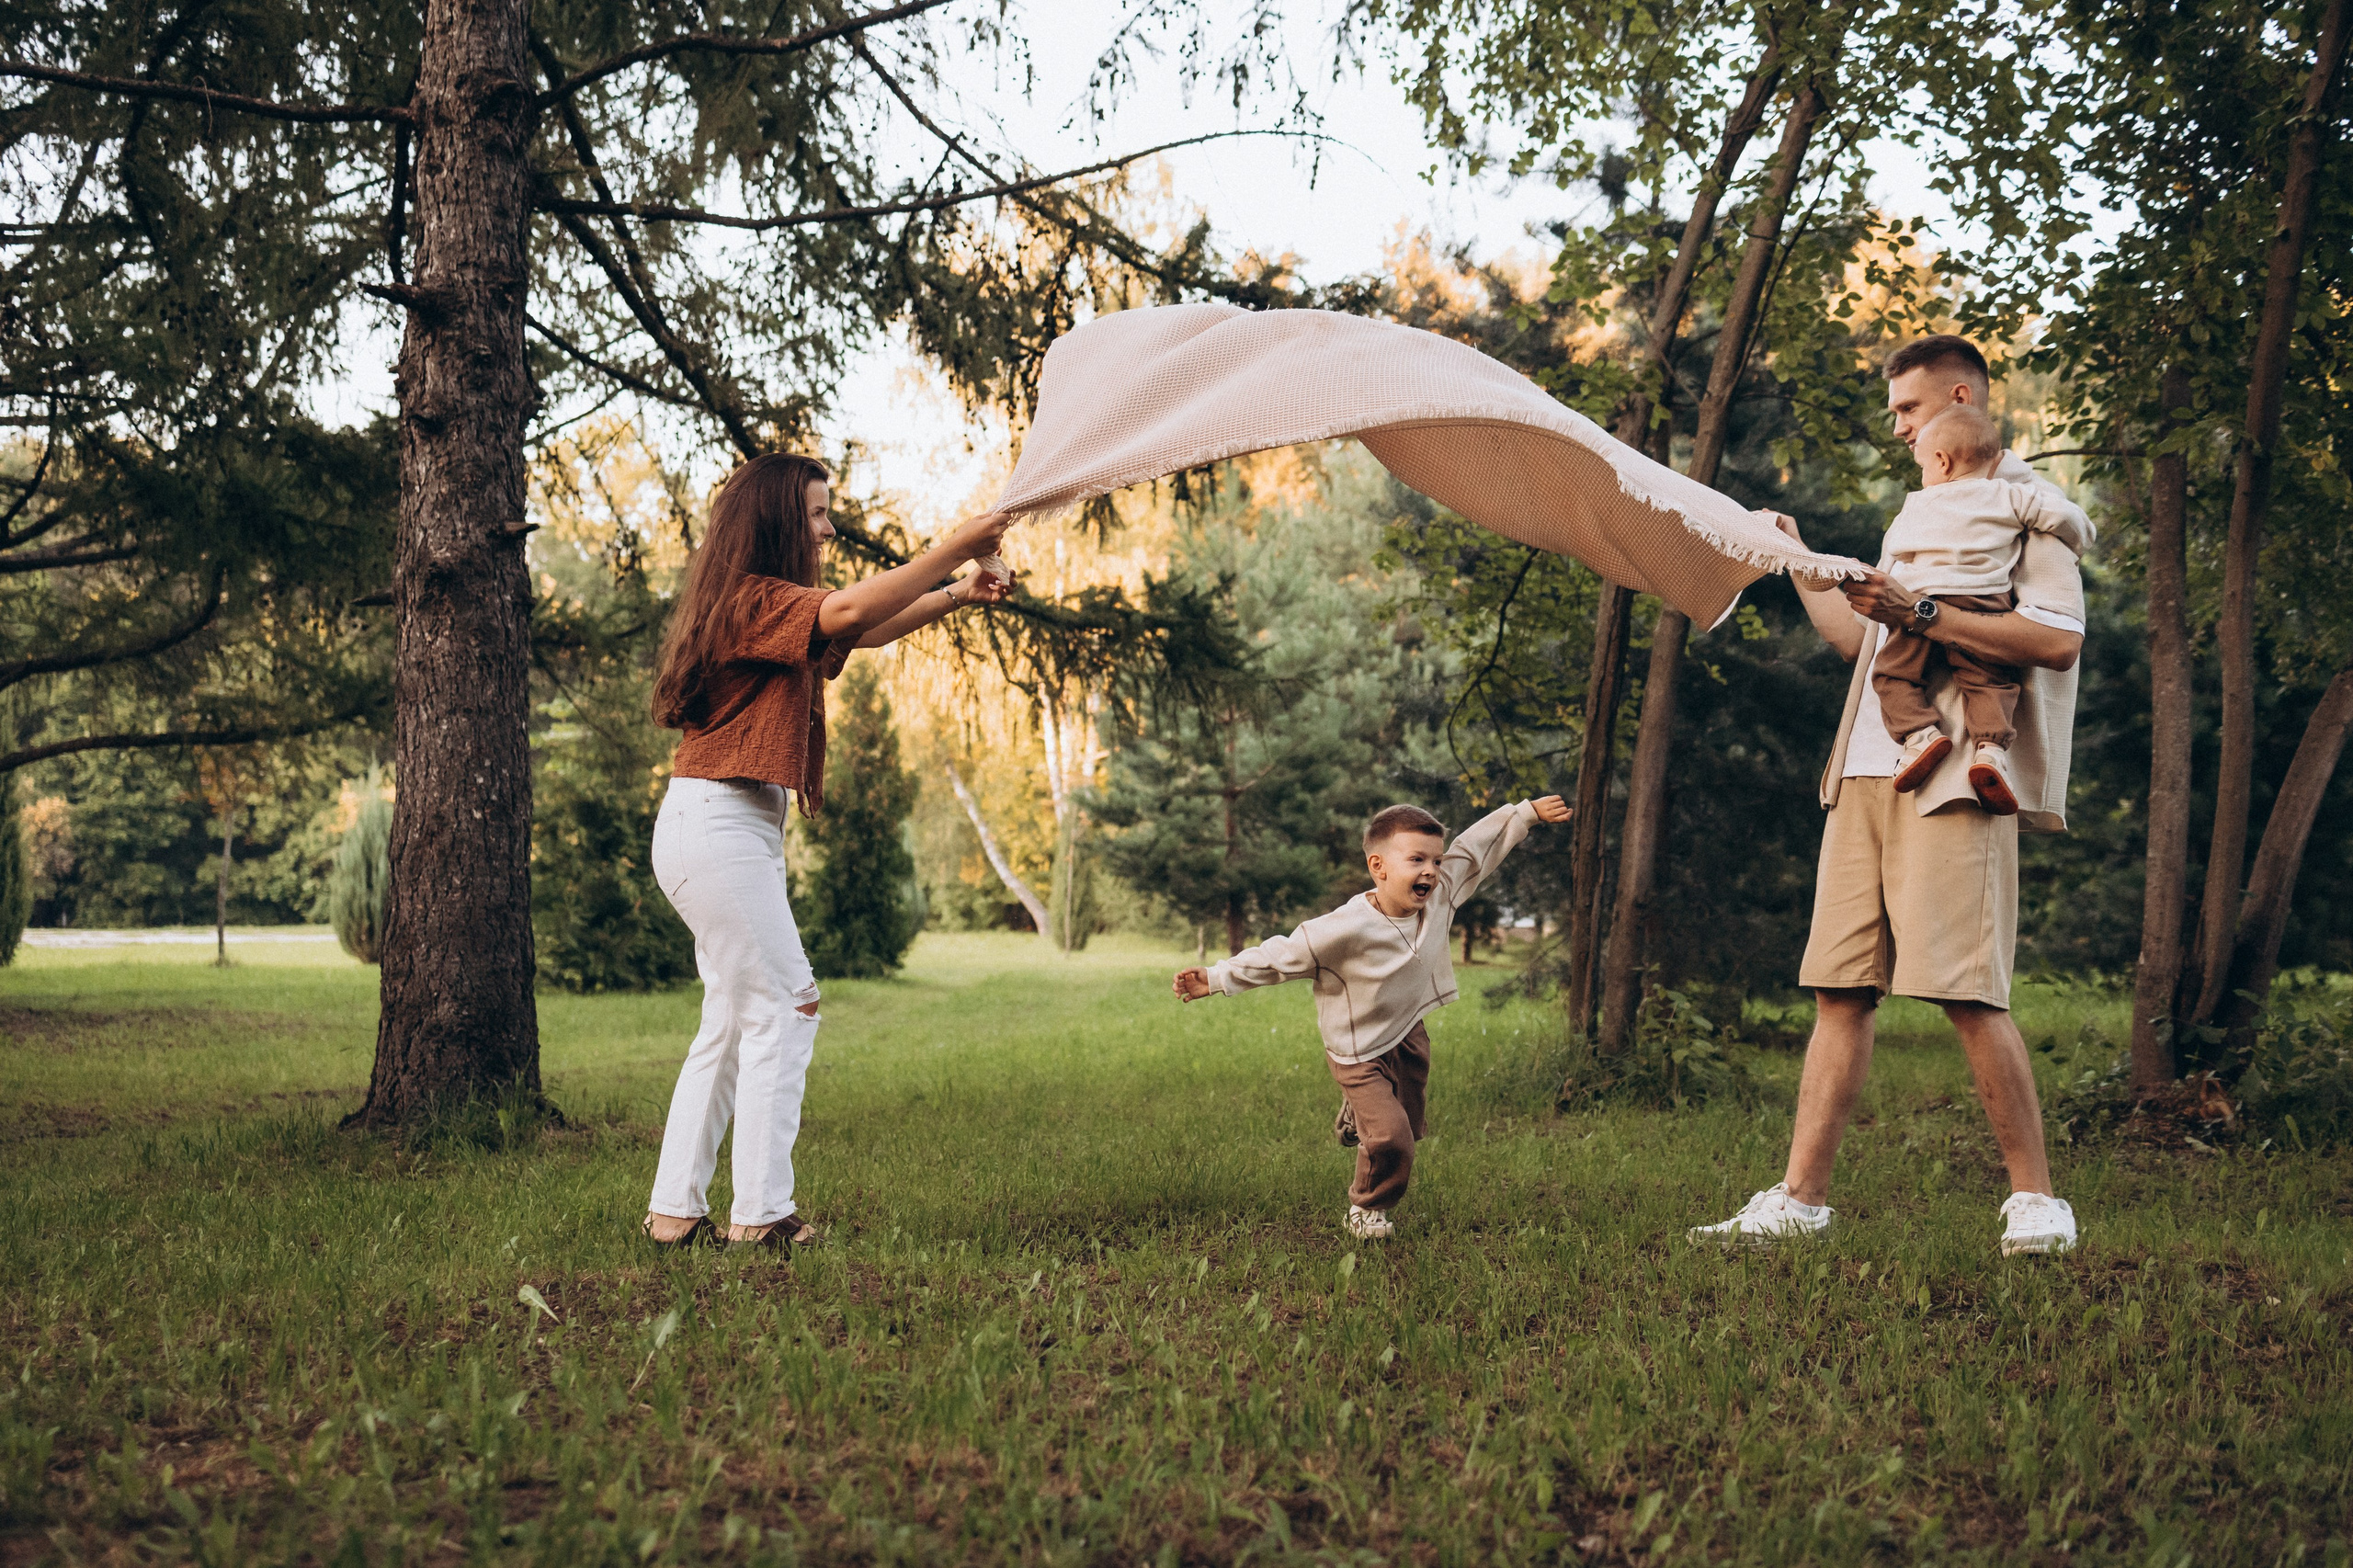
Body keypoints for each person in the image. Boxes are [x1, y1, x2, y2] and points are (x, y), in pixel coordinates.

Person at [1688, 334, 2088, 1257]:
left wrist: (1912, 610)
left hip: (1957, 776)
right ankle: (1799, 1200)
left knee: (1966, 991)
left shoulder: (2025, 510)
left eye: (1907, 410)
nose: (1899, 429)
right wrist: (1794, 559)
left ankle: (2035, 1201)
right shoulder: (1926, 514)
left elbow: (2055, 638)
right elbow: (1862, 647)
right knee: (1839, 988)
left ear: (1957, 396)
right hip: (1864, 771)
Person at [641, 454, 1014, 1250]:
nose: (829, 527)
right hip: (717, 825)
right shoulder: (748, 599)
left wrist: (957, 593)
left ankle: (676, 1211)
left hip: (721, 825)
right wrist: (958, 545)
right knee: (789, 1001)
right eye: (817, 513)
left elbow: (863, 628)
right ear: (778, 521)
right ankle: (764, 1216)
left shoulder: (767, 607)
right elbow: (846, 614)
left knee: (735, 1020)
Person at [1172, 796, 1574, 1239]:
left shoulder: (1440, 895)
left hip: (1407, 1032)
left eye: (1435, 861)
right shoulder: (1342, 929)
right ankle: (1367, 1209)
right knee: (1392, 1137)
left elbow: (1474, 850)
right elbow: (1280, 956)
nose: (1431, 871)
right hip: (1356, 1050)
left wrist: (1523, 814)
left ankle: (1357, 1117)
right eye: (1417, 859)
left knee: (1408, 1120)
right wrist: (1215, 977)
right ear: (1378, 867)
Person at [1869, 403, 2092, 809]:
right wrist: (2081, 538)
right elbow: (2065, 519)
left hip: (1924, 599)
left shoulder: (1918, 504)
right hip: (1984, 600)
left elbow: (1899, 555)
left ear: (1941, 461)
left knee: (1892, 675)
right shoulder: (2011, 496)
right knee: (1988, 682)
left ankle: (1920, 736)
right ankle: (1990, 752)